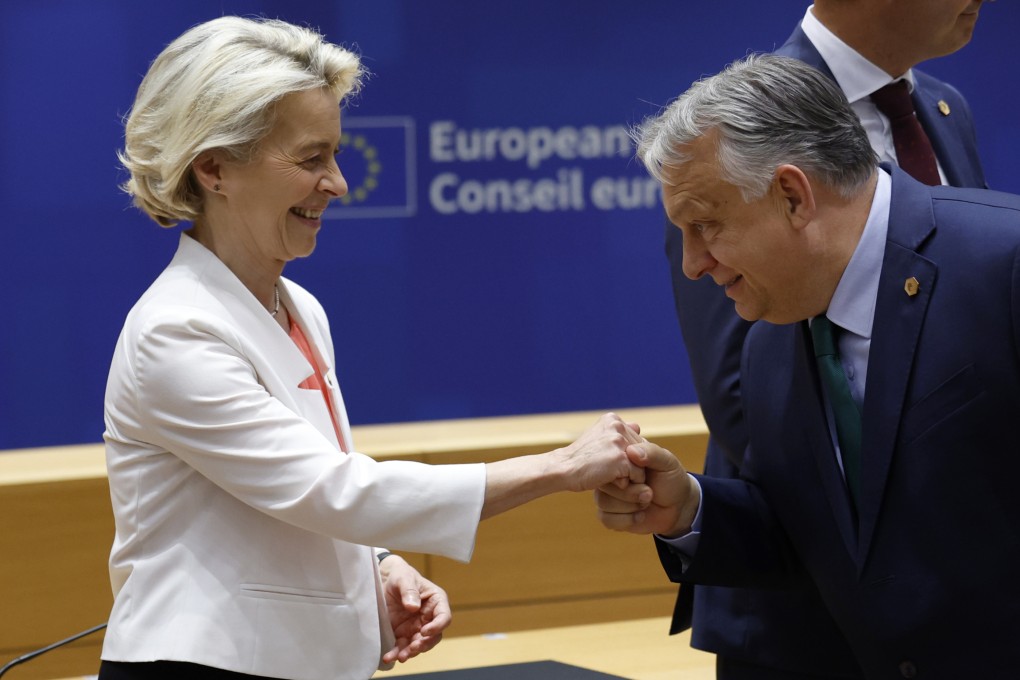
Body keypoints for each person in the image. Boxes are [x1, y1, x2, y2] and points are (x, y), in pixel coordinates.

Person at [101, 16, 646, 680]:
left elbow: (304, 490)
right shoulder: (175, 330)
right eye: (311, 158)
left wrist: (378, 564)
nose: (338, 182)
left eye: (334, 154)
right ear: (214, 167)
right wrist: (561, 467)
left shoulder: (301, 308)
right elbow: (334, 490)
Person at [599, 52, 1020, 678]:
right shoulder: (770, 337)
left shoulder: (1004, 264)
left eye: (706, 225)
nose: (692, 265)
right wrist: (690, 509)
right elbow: (822, 538)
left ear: (793, 195)